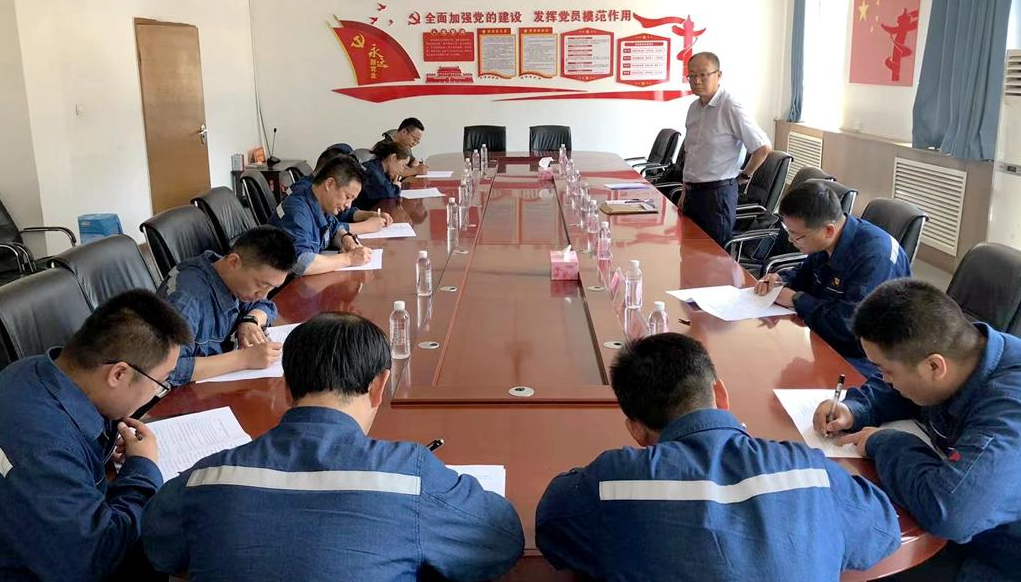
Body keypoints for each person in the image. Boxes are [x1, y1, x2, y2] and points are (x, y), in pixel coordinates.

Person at [142, 312, 524, 581]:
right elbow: (502, 540)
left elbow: (158, 545)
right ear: (379, 386)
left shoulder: (206, 477)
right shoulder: (410, 477)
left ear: (286, 387)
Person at [536, 333, 900, 581]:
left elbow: (551, 526)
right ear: (721, 394)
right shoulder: (809, 470)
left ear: (636, 430)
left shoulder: (613, 483)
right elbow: (882, 531)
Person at [813, 279, 1021, 581]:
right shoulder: (963, 352)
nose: (884, 379)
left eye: (887, 371)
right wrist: (856, 408)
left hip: (996, 555)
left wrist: (883, 442)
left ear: (935, 367)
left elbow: (951, 512)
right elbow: (900, 389)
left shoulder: (1010, 405)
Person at [0, 290, 192, 581]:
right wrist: (142, 468)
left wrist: (102, 443)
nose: (156, 391)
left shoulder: (31, 369)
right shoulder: (46, 452)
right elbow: (99, 558)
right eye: (160, 382)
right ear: (118, 374)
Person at [754, 181, 910, 375]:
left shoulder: (876, 258)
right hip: (827, 336)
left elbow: (850, 327)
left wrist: (796, 299)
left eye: (796, 235)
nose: (790, 240)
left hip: (868, 358)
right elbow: (806, 274)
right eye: (789, 232)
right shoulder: (827, 241)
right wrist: (780, 280)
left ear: (828, 230)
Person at [157, 225, 297, 386]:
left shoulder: (230, 275)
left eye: (271, 288)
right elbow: (167, 369)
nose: (263, 294)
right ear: (234, 261)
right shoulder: (186, 300)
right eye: (261, 285)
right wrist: (245, 359)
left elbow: (265, 305)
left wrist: (251, 321)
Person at [681, 51, 772, 246]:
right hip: (692, 192)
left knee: (713, 255)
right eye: (692, 76)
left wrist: (745, 175)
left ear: (718, 75)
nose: (697, 81)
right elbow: (691, 153)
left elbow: (762, 147)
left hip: (717, 195)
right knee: (688, 251)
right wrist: (684, 190)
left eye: (703, 74)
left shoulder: (730, 106)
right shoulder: (694, 108)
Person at [271, 154, 375, 275]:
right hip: (286, 284)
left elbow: (334, 229)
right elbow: (301, 263)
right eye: (347, 197)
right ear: (329, 184)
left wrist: (346, 239)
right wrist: (350, 258)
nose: (348, 205)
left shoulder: (322, 204)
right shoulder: (297, 211)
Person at [289, 145, 393, 236]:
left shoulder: (327, 199)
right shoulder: (302, 195)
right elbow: (323, 231)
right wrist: (365, 226)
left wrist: (371, 215)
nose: (348, 205)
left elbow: (343, 216)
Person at [354, 140, 411, 211]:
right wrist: (396, 187)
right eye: (403, 165)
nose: (402, 170)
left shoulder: (382, 171)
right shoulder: (371, 170)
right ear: (393, 157)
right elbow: (386, 191)